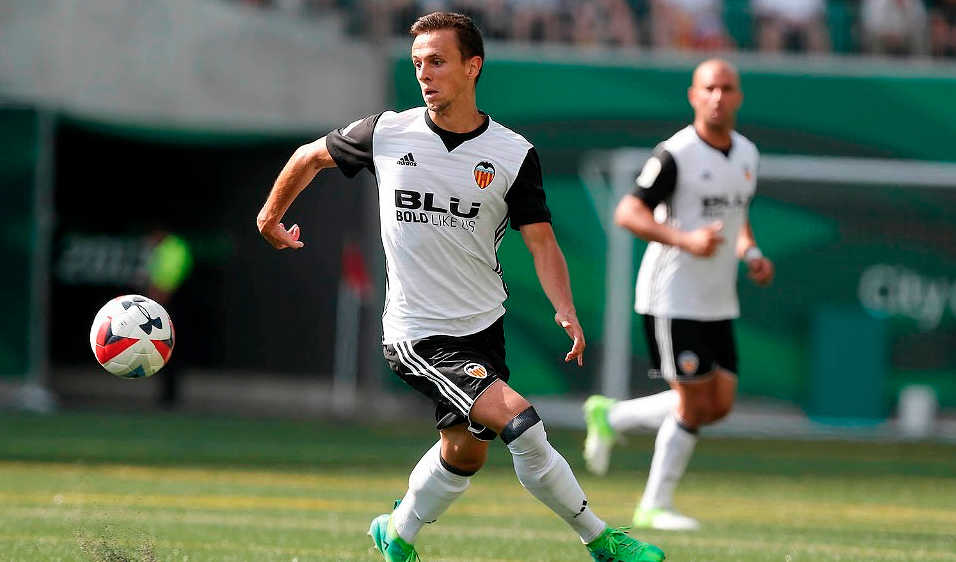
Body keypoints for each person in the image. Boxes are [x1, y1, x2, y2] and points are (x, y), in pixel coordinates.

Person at [256, 11, 665, 562]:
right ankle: (602, 541)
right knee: (521, 422)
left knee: (464, 452)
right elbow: (308, 157)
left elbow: (541, 241)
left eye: (438, 62)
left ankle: (397, 532)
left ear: (473, 67)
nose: (425, 75)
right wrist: (269, 217)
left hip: (483, 326)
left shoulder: (512, 153)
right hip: (419, 335)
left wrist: (564, 307)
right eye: (417, 64)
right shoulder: (387, 132)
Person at [583, 59, 774, 532]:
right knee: (690, 404)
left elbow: (738, 219)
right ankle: (654, 505)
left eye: (726, 88)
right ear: (693, 95)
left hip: (717, 298)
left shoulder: (747, 153)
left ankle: (612, 416)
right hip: (671, 296)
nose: (717, 96)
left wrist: (750, 252)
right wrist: (685, 240)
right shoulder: (675, 154)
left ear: (739, 97)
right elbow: (628, 212)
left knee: (718, 405)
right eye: (709, 88)